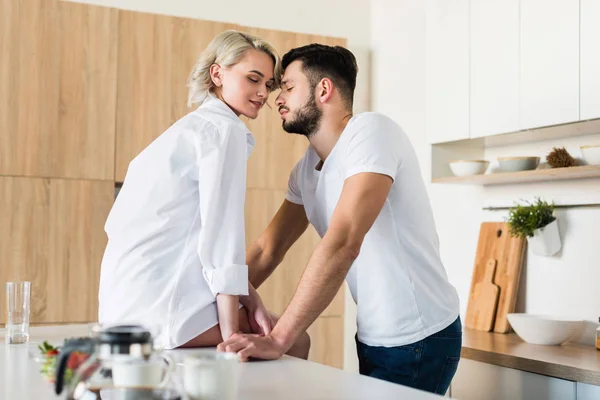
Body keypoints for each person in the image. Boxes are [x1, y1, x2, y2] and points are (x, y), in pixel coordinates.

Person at [218, 44, 461, 395]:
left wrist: (279, 338)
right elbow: (267, 249)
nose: (277, 99)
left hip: (421, 335)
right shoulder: (306, 169)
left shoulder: (372, 132)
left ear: (324, 89)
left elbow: (343, 240)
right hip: (375, 335)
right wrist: (207, 304)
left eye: (287, 86)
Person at [98, 30, 309, 358]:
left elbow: (193, 236)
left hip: (119, 309)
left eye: (268, 84)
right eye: (253, 79)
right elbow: (221, 236)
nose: (262, 93)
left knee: (268, 325)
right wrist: (232, 334)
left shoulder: (188, 130)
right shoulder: (223, 132)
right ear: (217, 73)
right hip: (160, 310)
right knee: (295, 339)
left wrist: (248, 296)